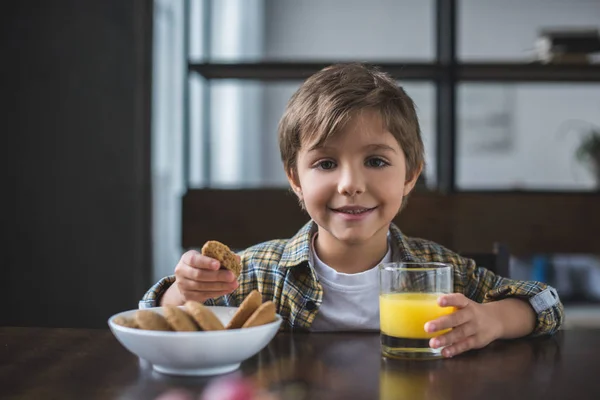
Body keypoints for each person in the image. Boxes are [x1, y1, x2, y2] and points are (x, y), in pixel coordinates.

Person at [140, 63, 564, 358]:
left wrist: (492, 320)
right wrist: (185, 290)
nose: (350, 183)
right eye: (325, 164)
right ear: (295, 180)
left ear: (410, 176)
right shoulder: (253, 274)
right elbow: (153, 316)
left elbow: (545, 301)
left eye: (376, 161)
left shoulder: (441, 274)